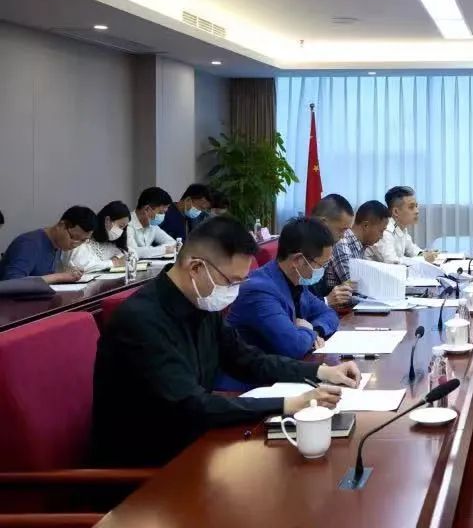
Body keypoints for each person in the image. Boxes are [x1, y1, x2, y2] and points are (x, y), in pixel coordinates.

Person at [91, 216, 359, 467]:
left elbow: (247, 359)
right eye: (231, 282)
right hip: (150, 468)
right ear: (196, 268)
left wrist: (320, 371)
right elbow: (192, 405)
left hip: (196, 445)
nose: (234, 292)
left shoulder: (200, 304)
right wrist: (289, 404)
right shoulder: (141, 321)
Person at [226, 217, 340, 359]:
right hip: (254, 371)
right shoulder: (258, 290)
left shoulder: (297, 282)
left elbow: (329, 314)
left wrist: (315, 329)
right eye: (322, 265)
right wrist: (307, 331)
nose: (323, 270)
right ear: (298, 260)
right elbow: (294, 346)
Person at [0, 206, 95, 282]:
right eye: (73, 237)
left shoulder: (58, 245)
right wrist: (60, 277)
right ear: (61, 225)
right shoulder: (29, 243)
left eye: (83, 240)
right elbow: (12, 281)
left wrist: (69, 274)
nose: (75, 244)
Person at [326, 200, 391, 303]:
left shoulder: (362, 245)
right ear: (366, 226)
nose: (382, 236)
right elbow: (355, 286)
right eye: (381, 231)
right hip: (337, 307)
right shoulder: (342, 242)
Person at [371, 186, 436, 265]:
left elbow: (412, 250)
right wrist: (423, 259)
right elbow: (392, 261)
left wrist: (425, 254)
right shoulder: (386, 231)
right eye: (411, 207)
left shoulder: (401, 228)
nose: (417, 211)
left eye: (416, 206)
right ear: (396, 212)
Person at [65, 201, 131, 273]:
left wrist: (117, 258)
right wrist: (113, 263)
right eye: (120, 226)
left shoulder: (109, 244)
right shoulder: (83, 238)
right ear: (107, 220)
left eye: (123, 228)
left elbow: (126, 254)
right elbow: (81, 266)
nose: (121, 231)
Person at [127, 187, 178, 259]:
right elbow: (133, 252)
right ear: (147, 209)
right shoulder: (126, 224)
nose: (163, 216)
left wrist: (151, 251)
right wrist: (164, 250)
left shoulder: (152, 224)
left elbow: (173, 243)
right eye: (160, 212)